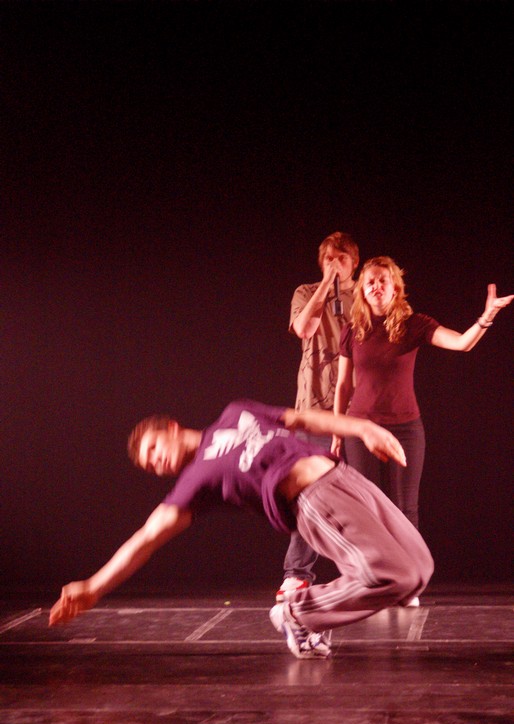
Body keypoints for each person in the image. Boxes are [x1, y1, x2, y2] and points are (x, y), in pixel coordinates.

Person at [49, 399, 434, 660]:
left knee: (419, 570)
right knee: (394, 575)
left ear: (171, 428)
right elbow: (147, 537)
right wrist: (94, 586)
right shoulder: (195, 482)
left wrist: (362, 428)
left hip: (342, 476)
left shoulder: (236, 411)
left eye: (152, 449)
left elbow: (301, 419)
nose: (156, 463)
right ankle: (297, 614)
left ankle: (305, 616)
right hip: (313, 500)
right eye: (150, 467)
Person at [333, 255, 513, 557]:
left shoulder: (414, 325)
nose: (376, 286)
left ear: (395, 288)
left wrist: (486, 316)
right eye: (370, 282)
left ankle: (410, 572)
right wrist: (337, 432)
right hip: (361, 430)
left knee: (405, 507)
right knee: (366, 505)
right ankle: (373, 572)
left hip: (405, 428)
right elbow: (342, 386)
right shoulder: (352, 330)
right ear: (362, 290)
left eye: (383, 280)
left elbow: (461, 343)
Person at [278, 231, 359, 602]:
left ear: (354, 262)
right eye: (329, 258)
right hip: (313, 408)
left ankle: (363, 570)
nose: (335, 264)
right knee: (309, 493)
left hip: (358, 410)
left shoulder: (366, 294)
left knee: (358, 496)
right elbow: (304, 329)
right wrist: (327, 284)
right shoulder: (306, 292)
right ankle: (297, 573)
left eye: (341, 258)